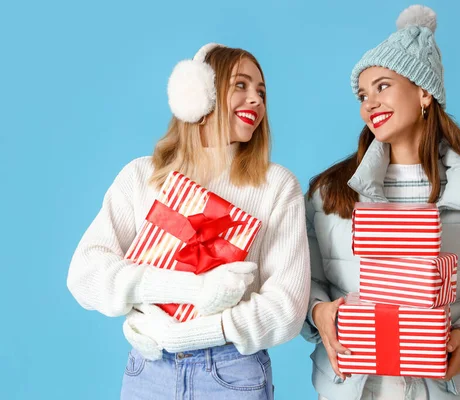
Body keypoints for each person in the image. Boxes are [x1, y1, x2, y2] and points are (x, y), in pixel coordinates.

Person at [301, 5, 460, 400]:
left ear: (424, 91)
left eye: (383, 86)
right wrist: (317, 312)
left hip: (441, 389)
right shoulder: (330, 194)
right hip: (351, 386)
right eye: (363, 94)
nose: (369, 103)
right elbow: (303, 278)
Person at [67, 43, 310, 400]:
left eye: (261, 92)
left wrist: (190, 334)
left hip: (231, 372)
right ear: (199, 94)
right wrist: (191, 291)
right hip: (149, 369)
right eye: (240, 85)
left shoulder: (277, 186)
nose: (256, 100)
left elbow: (286, 308)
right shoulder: (143, 177)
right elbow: (85, 274)